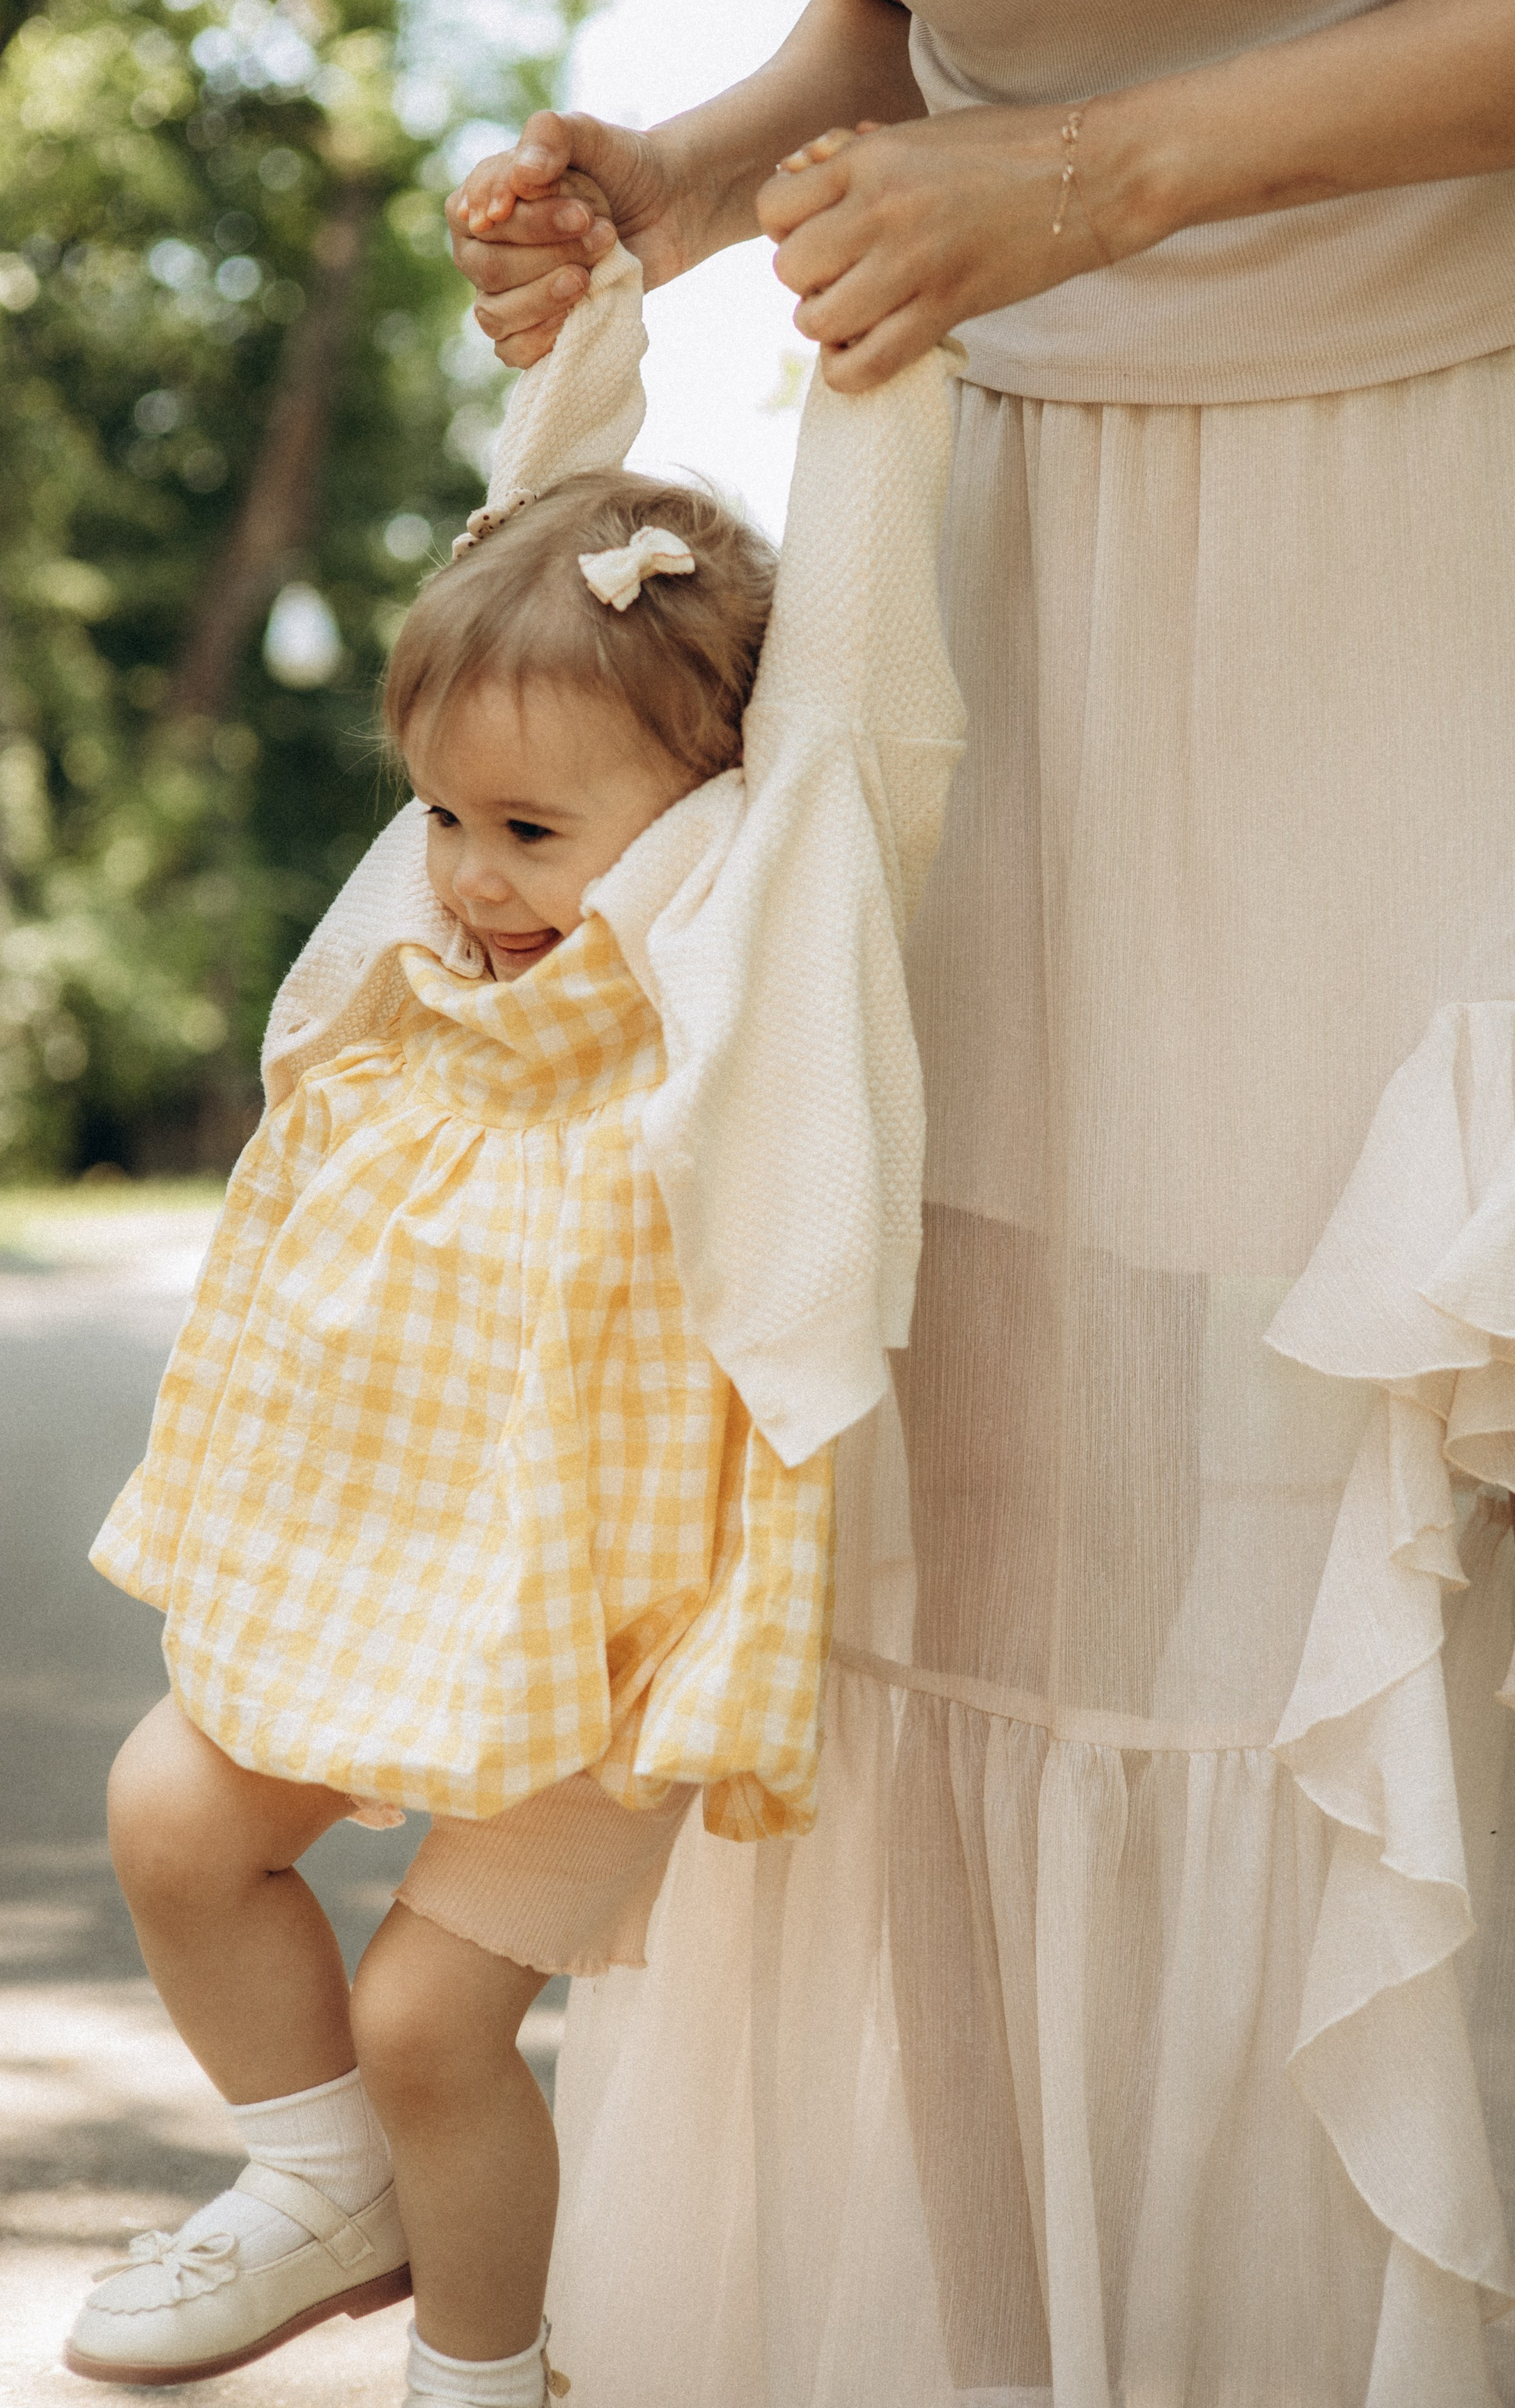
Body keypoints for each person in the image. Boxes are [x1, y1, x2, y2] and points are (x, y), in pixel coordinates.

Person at [180, 0, 1515, 2396]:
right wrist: (679, 191)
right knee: (984, 1541)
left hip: (1474, 535)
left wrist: (1105, 178)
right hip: (1000, 593)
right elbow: (896, 14)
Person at [63, 261, 855, 2406]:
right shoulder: (419, 995)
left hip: (615, 1630)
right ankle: (322, 2186)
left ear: (697, 828)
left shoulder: (713, 1003)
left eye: (533, 835)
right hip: (388, 1572)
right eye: (440, 818)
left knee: (429, 2016)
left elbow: (844, 773)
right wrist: (582, 317)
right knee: (171, 1814)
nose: (474, 880)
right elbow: (523, 567)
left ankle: (487, 2372)